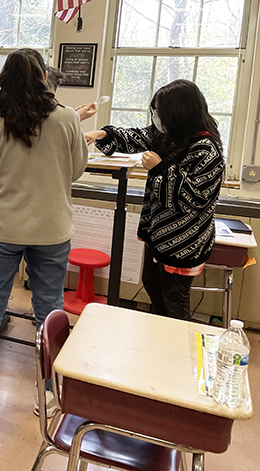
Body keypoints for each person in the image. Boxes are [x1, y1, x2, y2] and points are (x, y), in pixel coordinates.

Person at [0, 49, 88, 423]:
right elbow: (77, 168)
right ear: (43, 77)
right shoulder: (66, 119)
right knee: (49, 310)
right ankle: (48, 395)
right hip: (51, 228)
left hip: (2, 227)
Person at [85, 79, 224, 320]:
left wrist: (160, 168)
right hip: (158, 235)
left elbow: (194, 199)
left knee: (174, 300)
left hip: (183, 243)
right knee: (152, 284)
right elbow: (136, 136)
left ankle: (176, 348)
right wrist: (103, 133)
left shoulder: (206, 149)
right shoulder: (168, 135)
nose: (156, 117)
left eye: (160, 112)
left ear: (179, 114)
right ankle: (159, 338)